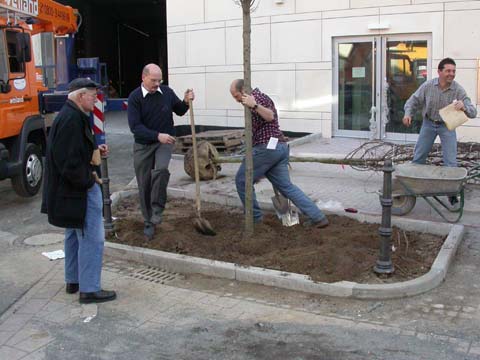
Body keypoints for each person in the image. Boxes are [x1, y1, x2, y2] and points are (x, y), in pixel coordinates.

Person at [41, 78, 116, 304]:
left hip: (69, 192)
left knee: (73, 235)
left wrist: (93, 149)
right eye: (93, 95)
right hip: (78, 191)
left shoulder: (71, 115)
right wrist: (89, 180)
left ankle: (73, 281)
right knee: (92, 238)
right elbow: (68, 162)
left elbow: (72, 151)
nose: (96, 99)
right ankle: (90, 289)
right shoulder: (72, 120)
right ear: (81, 96)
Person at [229, 79, 329, 228]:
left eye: (236, 95)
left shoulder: (257, 98)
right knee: (286, 187)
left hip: (268, 148)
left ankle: (255, 220)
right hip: (278, 147)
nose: (235, 99)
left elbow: (270, 116)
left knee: (242, 180)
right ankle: (318, 217)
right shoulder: (256, 98)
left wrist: (254, 105)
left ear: (243, 90)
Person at [128, 64, 194, 239]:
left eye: (160, 80)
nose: (157, 84)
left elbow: (180, 110)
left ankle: (157, 209)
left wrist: (186, 101)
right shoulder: (135, 98)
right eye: (153, 80)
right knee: (144, 183)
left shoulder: (166, 92)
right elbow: (135, 127)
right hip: (143, 145)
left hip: (164, 143)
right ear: (144, 77)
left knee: (161, 170)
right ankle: (148, 221)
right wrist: (157, 135)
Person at [403, 57, 477, 205]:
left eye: (453, 71)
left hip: (447, 126)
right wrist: (407, 114)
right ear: (439, 72)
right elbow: (413, 101)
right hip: (428, 124)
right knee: (419, 156)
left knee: (450, 161)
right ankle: (412, 188)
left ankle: (451, 193)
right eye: (448, 71)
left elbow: (473, 112)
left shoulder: (458, 89)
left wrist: (464, 106)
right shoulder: (428, 86)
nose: (451, 74)